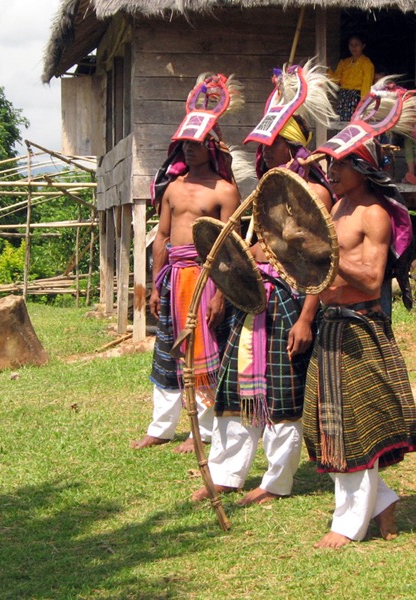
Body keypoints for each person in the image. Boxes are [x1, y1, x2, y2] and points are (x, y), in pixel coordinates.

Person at [191, 61, 337, 505]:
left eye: (273, 145)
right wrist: (221, 286)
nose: (265, 152)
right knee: (235, 388)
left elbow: (320, 264)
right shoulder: (263, 192)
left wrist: (307, 318)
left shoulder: (316, 193)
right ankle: (226, 474)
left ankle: (276, 482)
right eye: (264, 146)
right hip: (256, 299)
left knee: (280, 391)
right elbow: (252, 246)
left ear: (291, 146)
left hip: (291, 301)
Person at [303, 81, 416, 548]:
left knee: (355, 425)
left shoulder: (373, 213)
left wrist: (325, 254)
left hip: (360, 326)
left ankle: (348, 525)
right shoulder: (337, 206)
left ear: (361, 165)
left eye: (338, 162)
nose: (331, 171)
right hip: (331, 325)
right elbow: (321, 270)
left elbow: (373, 279)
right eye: (331, 163)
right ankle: (381, 501)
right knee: (330, 421)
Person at [131, 74, 243, 454]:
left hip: (207, 278)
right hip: (174, 277)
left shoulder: (225, 191)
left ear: (211, 147)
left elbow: (232, 246)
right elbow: (162, 236)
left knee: (207, 352)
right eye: (184, 145)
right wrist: (153, 285)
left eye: (195, 145)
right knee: (168, 351)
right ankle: (161, 427)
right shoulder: (173, 188)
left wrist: (221, 295)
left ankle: (207, 430)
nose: (188, 151)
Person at [332, 34, 374, 121]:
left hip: (356, 99)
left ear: (363, 46)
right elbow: (336, 79)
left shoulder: (366, 63)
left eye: (356, 45)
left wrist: (363, 105)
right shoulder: (344, 62)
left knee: (354, 123)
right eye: (351, 45)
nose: (353, 47)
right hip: (344, 99)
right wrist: (326, 71)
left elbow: (366, 85)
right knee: (342, 123)